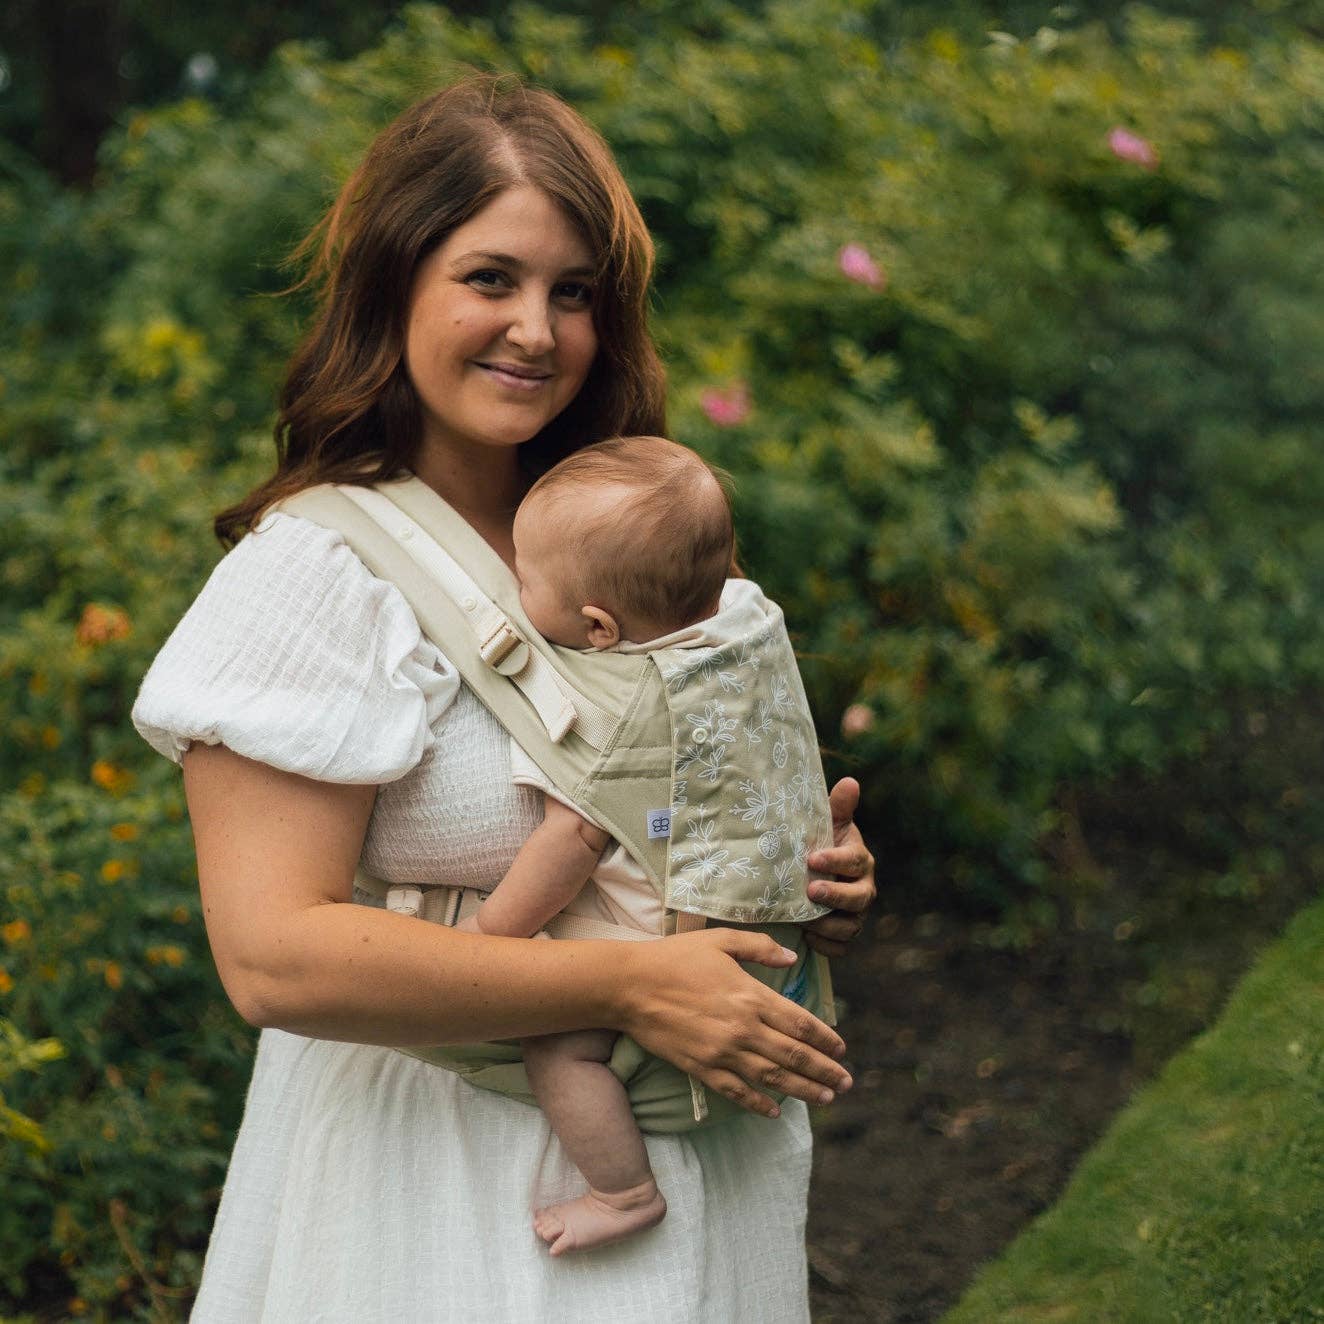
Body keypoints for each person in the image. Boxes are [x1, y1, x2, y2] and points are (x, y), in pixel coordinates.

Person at [132, 74, 876, 1322]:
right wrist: (628, 986)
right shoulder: (317, 574)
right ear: (393, 285)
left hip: (706, 1170)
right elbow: (272, 959)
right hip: (449, 1188)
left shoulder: (622, 537)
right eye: (490, 278)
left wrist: (799, 874)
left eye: (572, 291)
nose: (536, 327)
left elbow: (672, 797)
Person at [452, 433, 833, 1258]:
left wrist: (490, 940)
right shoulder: (742, 631)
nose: (515, 590)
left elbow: (573, 839)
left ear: (597, 628)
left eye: (524, 579)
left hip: (665, 937)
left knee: (559, 1047)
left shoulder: (619, 709)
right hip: (760, 910)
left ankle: (622, 1193)